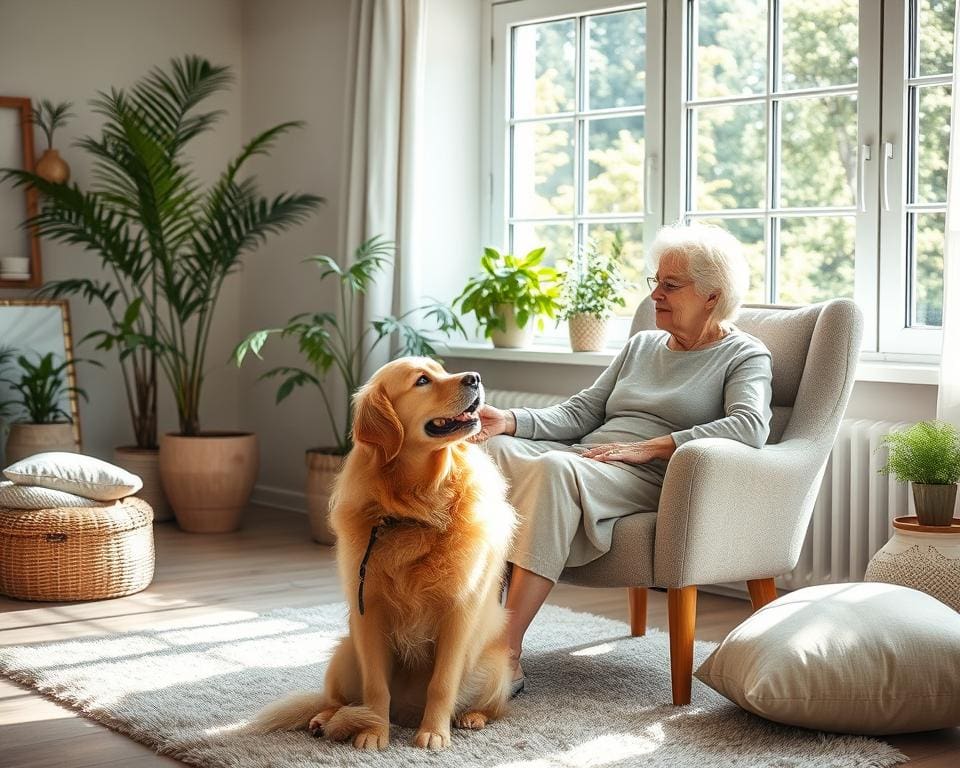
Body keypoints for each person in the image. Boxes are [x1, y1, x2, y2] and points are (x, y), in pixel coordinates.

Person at [472, 222, 774, 695]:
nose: (655, 293)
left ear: (712, 295)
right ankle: (460, 631)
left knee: (554, 470)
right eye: (656, 281)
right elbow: (582, 412)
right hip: (592, 458)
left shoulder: (743, 355)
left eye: (670, 285)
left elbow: (750, 425)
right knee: (487, 450)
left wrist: (653, 446)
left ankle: (503, 652)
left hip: (653, 476)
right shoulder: (642, 345)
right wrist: (508, 421)